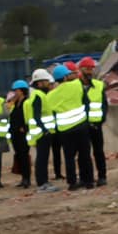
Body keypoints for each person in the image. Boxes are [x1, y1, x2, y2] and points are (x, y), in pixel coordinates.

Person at [49, 63, 95, 191]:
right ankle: (89, 181)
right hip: (81, 126)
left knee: (69, 157)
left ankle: (72, 183)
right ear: (65, 77)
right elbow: (86, 102)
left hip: (65, 130)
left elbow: (51, 112)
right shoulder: (77, 85)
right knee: (85, 155)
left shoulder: (51, 95)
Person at [25, 68, 61, 193]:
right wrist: (44, 130)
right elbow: (36, 116)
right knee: (42, 158)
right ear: (39, 83)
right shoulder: (38, 95)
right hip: (42, 133)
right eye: (46, 82)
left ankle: (44, 182)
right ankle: (42, 183)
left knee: (43, 158)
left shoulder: (37, 95)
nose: (48, 84)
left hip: (43, 132)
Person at [78, 56, 108, 185]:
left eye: (91, 69)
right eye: (87, 68)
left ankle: (102, 176)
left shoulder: (98, 85)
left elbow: (104, 104)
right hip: (81, 124)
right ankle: (85, 178)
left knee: (98, 152)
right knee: (83, 154)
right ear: (81, 69)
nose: (90, 71)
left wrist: (101, 119)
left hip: (96, 124)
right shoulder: (75, 87)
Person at [7, 80, 33, 188]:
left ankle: (27, 178)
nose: (15, 92)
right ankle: (23, 178)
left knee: (24, 155)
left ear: (22, 91)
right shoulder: (15, 103)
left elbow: (29, 116)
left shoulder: (26, 102)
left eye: (16, 90)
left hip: (23, 133)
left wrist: (25, 127)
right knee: (19, 155)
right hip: (14, 133)